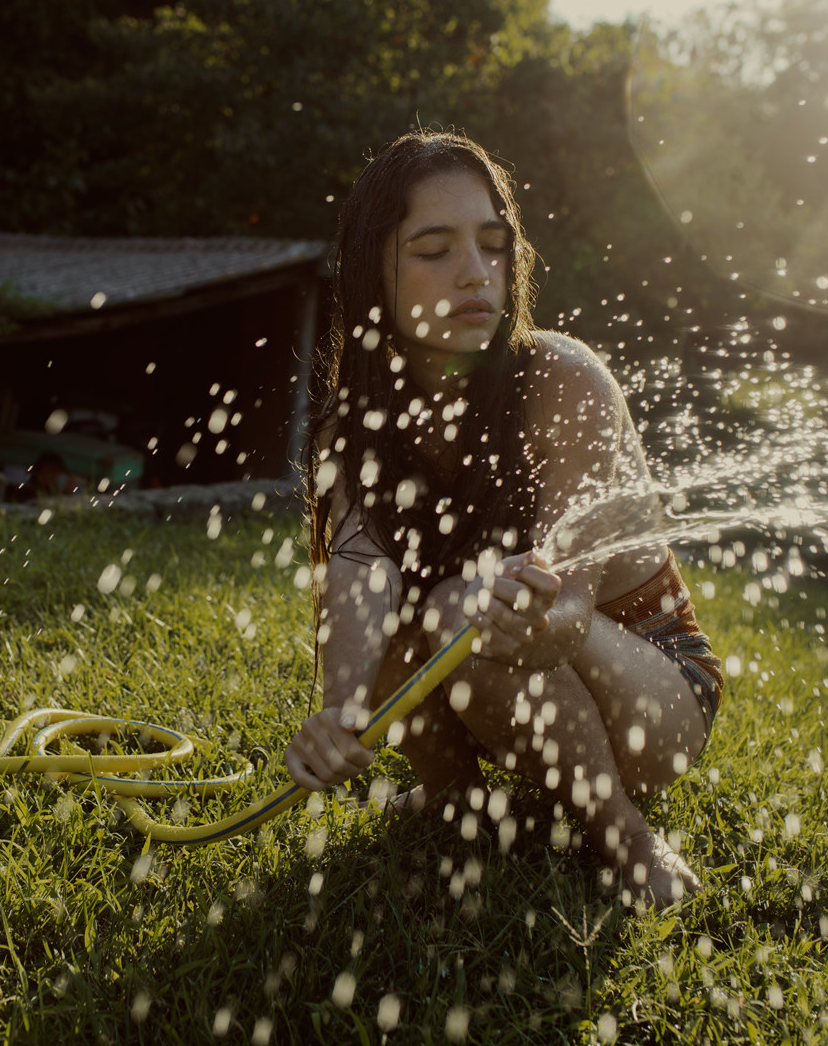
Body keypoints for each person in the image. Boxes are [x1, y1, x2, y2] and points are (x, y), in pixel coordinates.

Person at [281, 129, 724, 908]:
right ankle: (456, 801)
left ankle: (622, 832)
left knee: (460, 604)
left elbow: (573, 604)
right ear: (372, 268)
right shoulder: (352, 425)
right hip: (511, 671)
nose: (475, 273)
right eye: (433, 249)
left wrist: (543, 611)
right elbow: (356, 573)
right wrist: (336, 718)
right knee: (419, 609)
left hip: (653, 693)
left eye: (492, 244)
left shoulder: (562, 378)